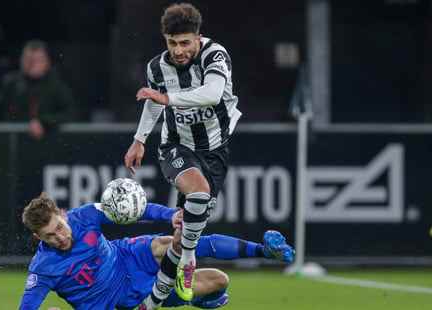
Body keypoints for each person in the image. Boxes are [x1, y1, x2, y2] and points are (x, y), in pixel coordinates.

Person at [19, 179, 294, 310]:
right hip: (117, 301)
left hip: (127, 257)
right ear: (38, 239)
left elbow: (134, 209)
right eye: (49, 236)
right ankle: (192, 297)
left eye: (59, 228)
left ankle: (264, 250)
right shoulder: (42, 269)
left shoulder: (86, 215)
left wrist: (171, 215)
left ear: (63, 214)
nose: (61, 237)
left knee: (171, 241)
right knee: (219, 280)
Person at [123, 3, 242, 306]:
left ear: (198, 37)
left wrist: (166, 98)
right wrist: (139, 140)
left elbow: (213, 93)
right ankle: (189, 261)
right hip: (176, 147)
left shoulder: (215, 55)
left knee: (181, 233)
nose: (178, 50)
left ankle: (153, 302)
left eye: (185, 42)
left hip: (214, 152)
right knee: (198, 193)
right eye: (172, 43)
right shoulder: (156, 68)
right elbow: (152, 105)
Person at [0, 40, 76, 140]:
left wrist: (44, 123)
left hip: (47, 142)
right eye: (28, 59)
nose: (32, 64)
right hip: (14, 142)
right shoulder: (10, 84)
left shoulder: (56, 85)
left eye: (37, 60)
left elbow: (70, 113)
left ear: (47, 62)